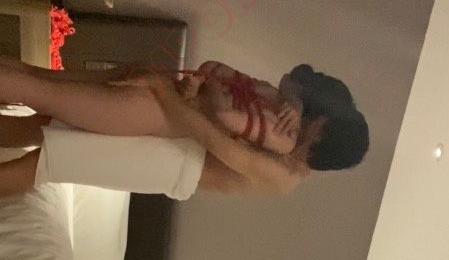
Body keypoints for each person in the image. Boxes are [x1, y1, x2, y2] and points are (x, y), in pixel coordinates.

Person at [0, 58, 369, 199]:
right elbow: (296, 77)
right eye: (314, 121)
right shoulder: (290, 119)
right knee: (42, 111)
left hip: (172, 149)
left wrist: (163, 91)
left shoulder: (285, 174)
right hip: (172, 115)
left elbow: (215, 139)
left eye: (312, 138)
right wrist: (296, 103)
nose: (305, 130)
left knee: (48, 156)